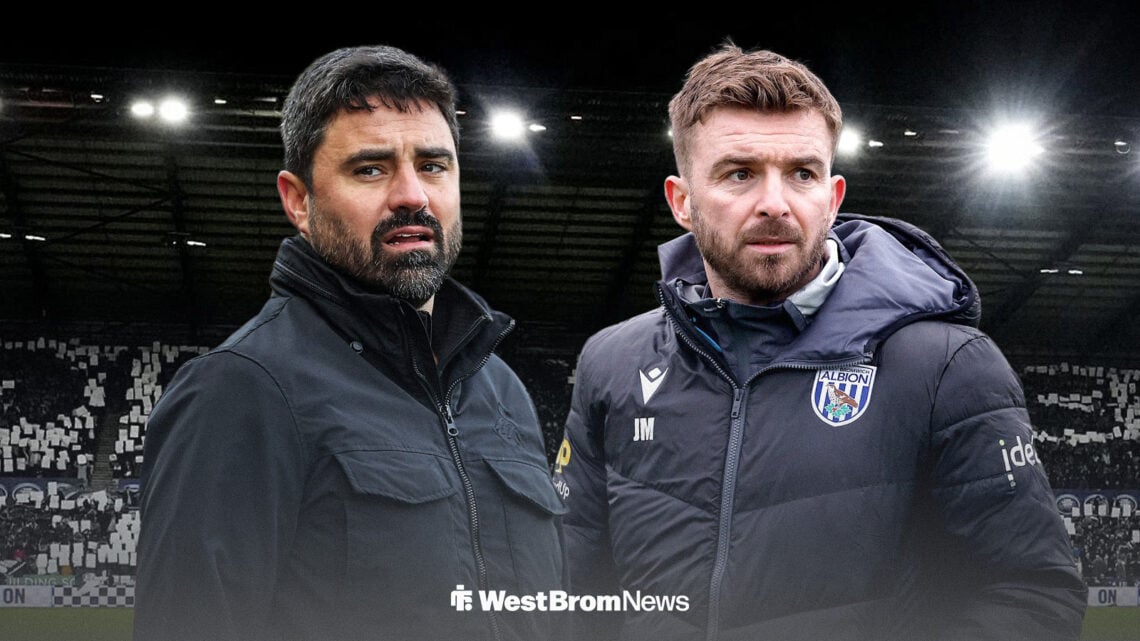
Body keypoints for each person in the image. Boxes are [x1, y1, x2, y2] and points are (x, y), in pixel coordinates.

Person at [556, 41, 1088, 641]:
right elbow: (573, 586)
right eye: (739, 174)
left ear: (831, 199)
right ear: (682, 201)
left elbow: (1033, 594)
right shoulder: (612, 362)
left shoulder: (945, 364)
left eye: (801, 174)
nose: (774, 204)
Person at [133, 45, 567, 641]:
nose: (412, 195)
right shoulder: (240, 389)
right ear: (298, 200)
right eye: (370, 169)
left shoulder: (502, 390)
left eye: (434, 166)